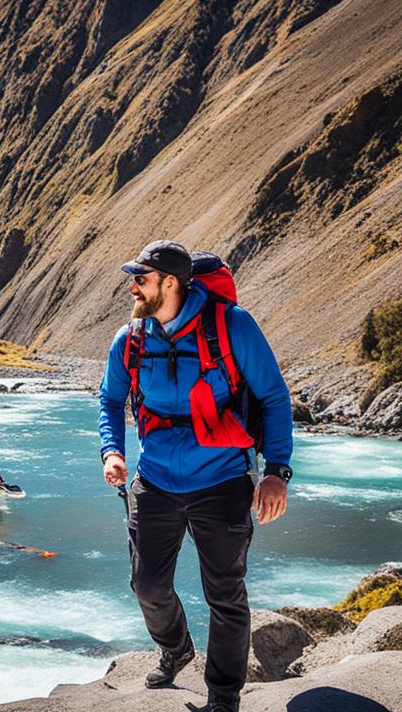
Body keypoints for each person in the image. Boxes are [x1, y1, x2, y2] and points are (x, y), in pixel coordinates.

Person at [99, 240, 292, 712]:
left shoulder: (232, 327)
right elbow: (108, 401)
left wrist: (277, 473)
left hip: (223, 481)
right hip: (156, 480)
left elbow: (274, 398)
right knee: (147, 585)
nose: (132, 287)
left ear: (170, 283)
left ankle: (223, 698)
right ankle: (176, 647)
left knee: (224, 595)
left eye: (140, 278)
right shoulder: (131, 339)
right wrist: (111, 452)